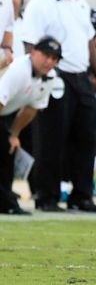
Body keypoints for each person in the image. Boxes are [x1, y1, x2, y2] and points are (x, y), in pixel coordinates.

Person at [20, 0, 96, 213]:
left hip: (82, 77)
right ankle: (46, 196)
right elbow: (29, 44)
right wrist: (38, 76)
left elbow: (90, 40)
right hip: (55, 75)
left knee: (85, 139)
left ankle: (81, 196)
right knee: (51, 138)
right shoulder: (40, 3)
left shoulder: (80, 0)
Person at [0, 37, 60, 215]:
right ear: (33, 53)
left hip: (6, 113)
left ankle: (5, 203)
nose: (49, 61)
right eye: (46, 55)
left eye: (54, 58)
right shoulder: (18, 70)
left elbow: (31, 109)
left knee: (8, 150)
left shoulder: (50, 78)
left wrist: (13, 134)